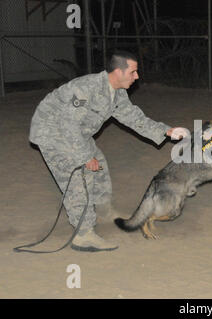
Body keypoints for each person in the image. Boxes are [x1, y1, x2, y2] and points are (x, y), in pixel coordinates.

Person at [29, 50, 188, 252]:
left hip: (76, 132)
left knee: (99, 164)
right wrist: (85, 157)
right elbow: (68, 125)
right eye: (133, 72)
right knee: (79, 176)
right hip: (53, 133)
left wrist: (166, 131)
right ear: (118, 72)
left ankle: (103, 210)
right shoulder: (86, 89)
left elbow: (133, 118)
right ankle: (83, 234)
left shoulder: (116, 92)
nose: (137, 77)